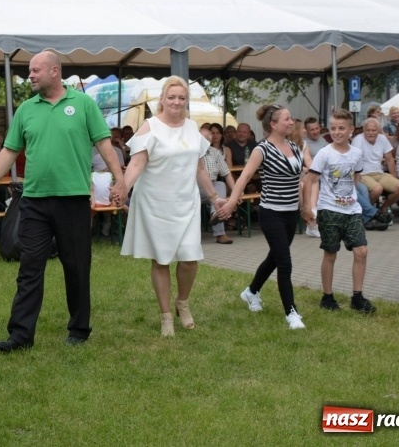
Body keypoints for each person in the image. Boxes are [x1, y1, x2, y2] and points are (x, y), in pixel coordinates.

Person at [0, 51, 125, 353]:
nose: (29, 75)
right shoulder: (26, 110)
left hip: (72, 200)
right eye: (29, 71)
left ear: (54, 71)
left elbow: (103, 144)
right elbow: (9, 150)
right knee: (29, 268)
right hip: (33, 200)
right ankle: (20, 335)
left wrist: (119, 179)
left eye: (35, 70)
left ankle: (79, 329)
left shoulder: (83, 105)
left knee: (76, 266)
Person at [120, 77, 225, 337]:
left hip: (186, 202)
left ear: (186, 101)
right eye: (171, 97)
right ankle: (166, 315)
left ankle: (183, 303)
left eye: (181, 97)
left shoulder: (192, 128)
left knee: (190, 257)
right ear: (162, 100)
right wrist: (122, 189)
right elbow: (136, 164)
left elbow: (200, 168)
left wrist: (214, 198)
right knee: (161, 259)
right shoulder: (149, 127)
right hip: (155, 203)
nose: (176, 102)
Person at [217, 104, 306, 329]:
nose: (291, 121)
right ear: (273, 124)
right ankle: (291, 313)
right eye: (286, 119)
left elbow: (299, 181)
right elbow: (244, 177)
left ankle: (251, 292)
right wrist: (230, 202)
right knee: (285, 262)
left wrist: (305, 208)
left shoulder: (295, 147)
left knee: (275, 258)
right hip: (271, 214)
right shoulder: (261, 149)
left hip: (290, 213)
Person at [303, 109, 376, 313]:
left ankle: (357, 297)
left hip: (352, 210)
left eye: (341, 128)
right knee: (330, 253)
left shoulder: (356, 154)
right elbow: (310, 180)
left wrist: (352, 198)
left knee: (361, 250)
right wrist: (308, 208)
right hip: (329, 210)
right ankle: (327, 297)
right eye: (333, 128)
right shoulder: (325, 154)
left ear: (351, 130)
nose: (337, 132)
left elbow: (356, 178)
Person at [351, 118, 399, 221]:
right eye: (368, 130)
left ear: (378, 130)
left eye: (373, 130)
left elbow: (390, 160)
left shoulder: (382, 138)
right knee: (377, 189)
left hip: (379, 173)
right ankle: (368, 215)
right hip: (363, 174)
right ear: (364, 130)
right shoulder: (358, 140)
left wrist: (395, 178)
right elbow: (355, 162)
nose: (370, 133)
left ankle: (383, 209)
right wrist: (356, 180)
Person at [199, 126, 235, 245]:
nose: (205, 143)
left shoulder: (214, 153)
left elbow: (227, 173)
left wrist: (235, 193)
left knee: (220, 184)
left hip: (212, 189)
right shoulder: (191, 152)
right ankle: (218, 215)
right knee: (218, 192)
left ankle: (217, 217)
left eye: (207, 140)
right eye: (202, 139)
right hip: (194, 188)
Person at [302, 117, 327, 238]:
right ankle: (313, 219)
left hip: (326, 174)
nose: (316, 131)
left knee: (360, 188)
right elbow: (306, 165)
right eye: (312, 129)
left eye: (317, 128)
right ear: (306, 131)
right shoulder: (304, 143)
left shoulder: (323, 141)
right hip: (315, 176)